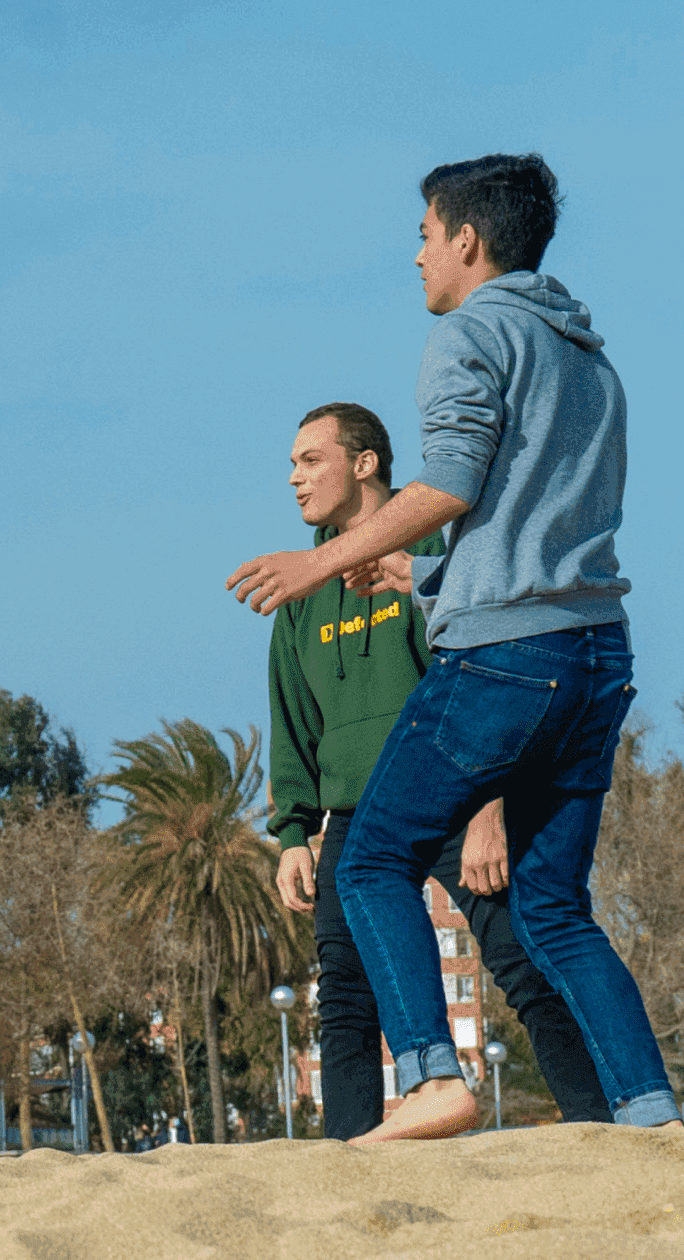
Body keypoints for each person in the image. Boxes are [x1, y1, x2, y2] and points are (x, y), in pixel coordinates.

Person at [230, 154, 680, 1141]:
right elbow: (541, 524)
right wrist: (424, 578)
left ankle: (432, 1078)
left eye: (425, 235)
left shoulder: (469, 333)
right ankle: (648, 1115)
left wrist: (317, 565)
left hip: (503, 660)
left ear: (465, 240)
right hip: (596, 653)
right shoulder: (587, 357)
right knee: (553, 913)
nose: (417, 254)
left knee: (369, 860)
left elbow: (451, 486)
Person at [265, 402, 610, 1138]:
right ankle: (351, 1156)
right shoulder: (302, 588)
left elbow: (487, 675)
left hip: (455, 794)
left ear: (365, 463)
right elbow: (293, 718)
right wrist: (294, 830)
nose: (293, 478)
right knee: (346, 1000)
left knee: (524, 963)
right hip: (356, 815)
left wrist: (490, 807)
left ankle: (596, 1125)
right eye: (292, 464)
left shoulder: (437, 550)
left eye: (309, 459)